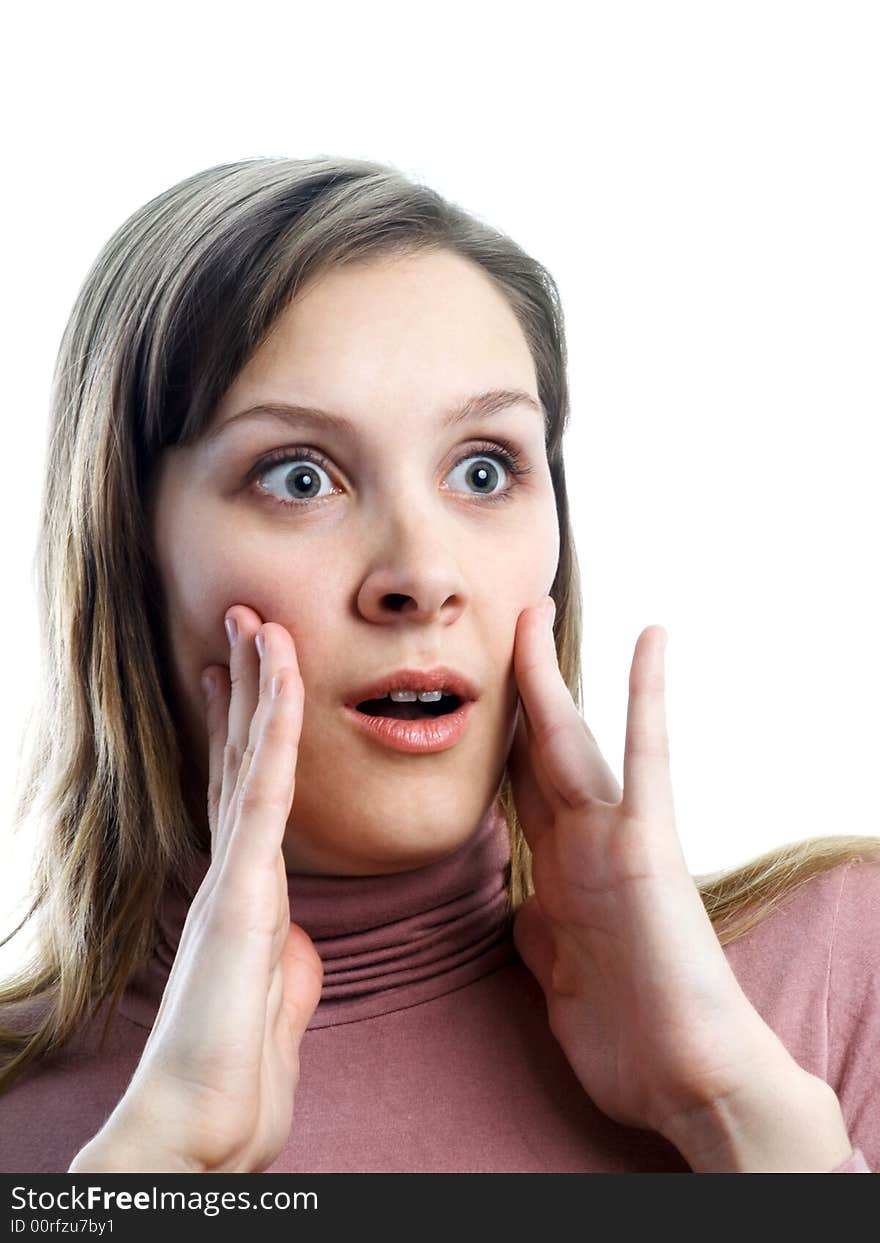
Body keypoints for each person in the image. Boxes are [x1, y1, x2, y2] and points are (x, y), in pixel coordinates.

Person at [0, 157, 877, 1175]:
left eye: (483, 468)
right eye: (298, 476)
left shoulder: (835, 970)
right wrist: (148, 1171)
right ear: (126, 550)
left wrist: (743, 1117)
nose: (421, 575)